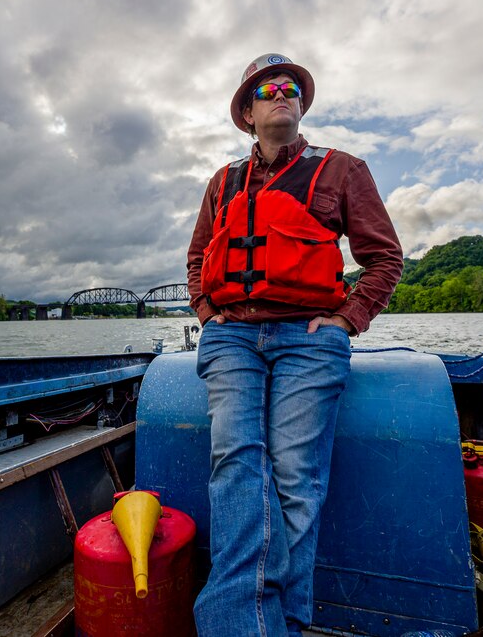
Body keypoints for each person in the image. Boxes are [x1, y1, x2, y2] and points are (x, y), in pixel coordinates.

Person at [186, 54, 405, 636]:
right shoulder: (223, 182)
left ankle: (276, 622)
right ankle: (256, 625)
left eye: (289, 88)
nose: (279, 94)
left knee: (295, 476)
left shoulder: (343, 170)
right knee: (235, 460)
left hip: (310, 338)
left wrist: (349, 318)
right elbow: (197, 258)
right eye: (266, 89)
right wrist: (208, 313)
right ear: (248, 112)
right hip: (232, 335)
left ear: (301, 104)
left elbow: (384, 258)